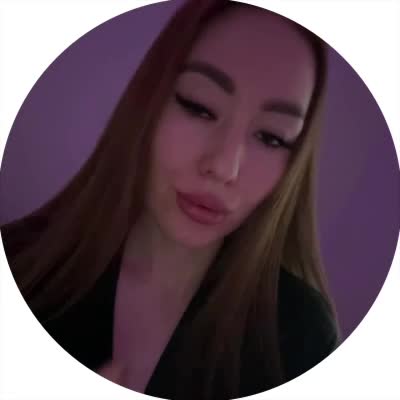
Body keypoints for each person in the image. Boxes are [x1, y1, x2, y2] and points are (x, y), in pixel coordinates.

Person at [1, 0, 341, 399]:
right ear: (148, 102)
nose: (224, 167)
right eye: (199, 107)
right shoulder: (19, 264)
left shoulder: (302, 337)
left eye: (271, 137)